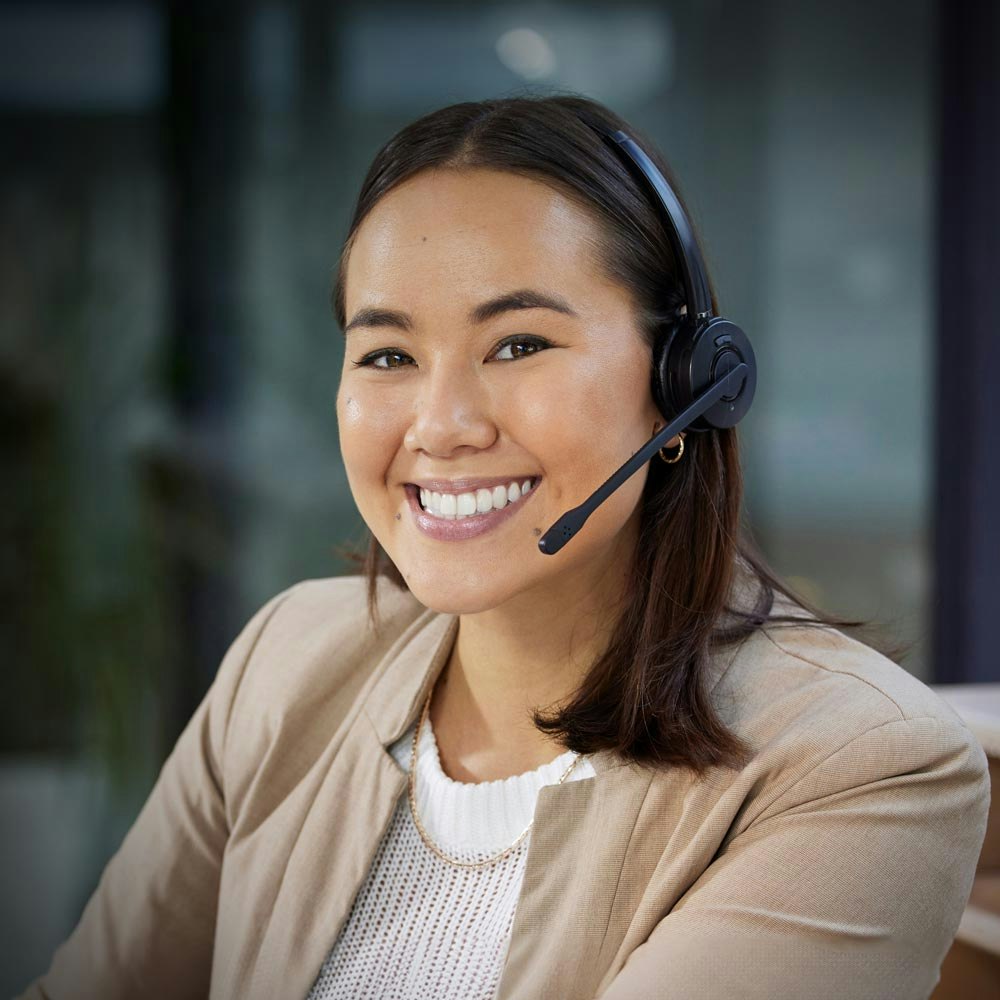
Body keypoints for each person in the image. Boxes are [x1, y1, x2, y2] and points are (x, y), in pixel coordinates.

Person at [20, 95, 990, 1000]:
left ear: (687, 381)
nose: (440, 425)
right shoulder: (288, 664)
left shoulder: (865, 764)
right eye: (388, 355)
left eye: (518, 344)